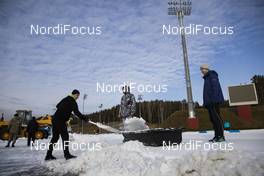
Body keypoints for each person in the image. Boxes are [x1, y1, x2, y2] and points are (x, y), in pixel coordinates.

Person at [45, 89, 88, 161]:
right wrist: (85, 119)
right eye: (77, 96)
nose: (77, 97)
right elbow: (77, 112)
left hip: (54, 119)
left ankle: (48, 155)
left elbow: (57, 105)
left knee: (55, 138)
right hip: (60, 121)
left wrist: (67, 111)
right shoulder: (72, 101)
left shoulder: (65, 99)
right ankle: (67, 155)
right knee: (65, 137)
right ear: (74, 94)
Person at [200, 64, 225, 142]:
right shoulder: (207, 78)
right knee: (212, 119)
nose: (201, 71)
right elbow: (207, 92)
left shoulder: (212, 75)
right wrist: (206, 103)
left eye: (202, 69)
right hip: (209, 102)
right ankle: (216, 136)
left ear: (206, 69)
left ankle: (221, 136)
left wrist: (213, 100)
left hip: (213, 101)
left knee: (216, 119)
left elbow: (216, 87)